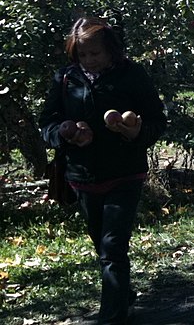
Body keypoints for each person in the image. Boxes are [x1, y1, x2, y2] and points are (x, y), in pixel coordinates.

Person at [38, 17, 167, 323]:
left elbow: (156, 120)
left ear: (110, 50)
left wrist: (136, 133)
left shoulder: (131, 74)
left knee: (112, 247)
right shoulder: (66, 78)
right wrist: (65, 132)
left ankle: (112, 317)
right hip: (82, 178)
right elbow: (46, 123)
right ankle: (123, 296)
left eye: (95, 54)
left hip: (124, 174)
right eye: (82, 55)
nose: (89, 60)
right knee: (103, 245)